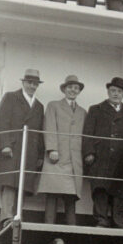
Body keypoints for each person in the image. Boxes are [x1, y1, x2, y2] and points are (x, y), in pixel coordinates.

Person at [0, 68, 45, 226]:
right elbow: (1, 122)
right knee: (9, 182)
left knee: (23, 183)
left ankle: (17, 216)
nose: (32, 86)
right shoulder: (11, 98)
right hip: (12, 147)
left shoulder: (39, 106)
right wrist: (4, 145)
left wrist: (40, 155)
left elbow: (40, 131)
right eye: (30, 83)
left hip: (29, 151)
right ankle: (7, 217)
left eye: (35, 84)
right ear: (24, 83)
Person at [82, 77, 123, 228]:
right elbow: (87, 133)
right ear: (108, 91)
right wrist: (89, 152)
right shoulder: (95, 110)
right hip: (101, 156)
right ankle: (101, 220)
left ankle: (118, 221)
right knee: (100, 189)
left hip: (122, 158)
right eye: (113, 90)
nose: (115, 94)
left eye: (119, 91)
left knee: (120, 190)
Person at [37, 74, 87, 225]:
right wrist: (52, 149)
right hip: (56, 158)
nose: (73, 90)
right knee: (52, 194)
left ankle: (72, 231)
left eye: (76, 88)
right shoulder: (53, 105)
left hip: (74, 160)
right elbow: (49, 127)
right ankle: (48, 227)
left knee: (71, 196)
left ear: (79, 91)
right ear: (64, 89)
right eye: (70, 87)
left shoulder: (83, 112)